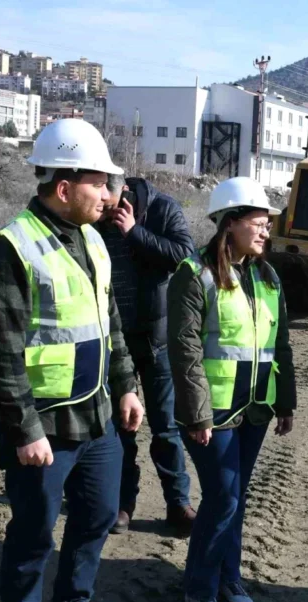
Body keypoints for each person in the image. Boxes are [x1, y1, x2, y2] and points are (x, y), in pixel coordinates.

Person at [0, 118, 144, 602]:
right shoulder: (11, 249)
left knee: (97, 514)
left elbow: (108, 322)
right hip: (44, 428)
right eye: (100, 182)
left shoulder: (94, 241)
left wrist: (127, 386)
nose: (111, 193)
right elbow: (2, 355)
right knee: (33, 534)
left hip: (95, 421)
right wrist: (24, 431)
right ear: (65, 187)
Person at [167, 176, 297, 602]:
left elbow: (281, 344)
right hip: (213, 414)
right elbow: (184, 350)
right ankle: (199, 588)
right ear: (229, 224)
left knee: (235, 495)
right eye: (259, 223)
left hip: (255, 409)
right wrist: (199, 413)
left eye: (268, 225)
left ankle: (229, 577)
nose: (266, 232)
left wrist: (286, 402)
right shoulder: (193, 274)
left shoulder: (267, 276)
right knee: (222, 496)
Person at [97, 174, 196, 535]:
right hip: (112, 340)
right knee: (120, 428)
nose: (101, 211)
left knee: (166, 429)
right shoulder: (94, 217)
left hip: (156, 341)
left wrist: (134, 231)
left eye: (105, 204)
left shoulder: (162, 209)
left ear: (120, 191)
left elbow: (186, 257)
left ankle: (177, 504)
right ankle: (123, 504)